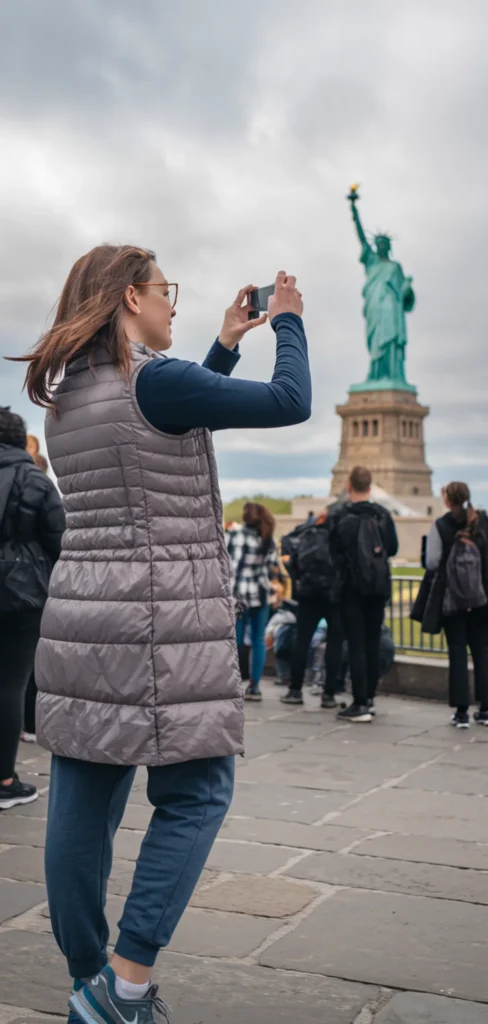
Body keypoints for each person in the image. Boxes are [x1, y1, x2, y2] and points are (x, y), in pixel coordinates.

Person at [14, 249, 310, 1023]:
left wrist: (222, 344)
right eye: (164, 292)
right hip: (159, 619)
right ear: (129, 298)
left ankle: (88, 981)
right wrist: (289, 324)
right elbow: (289, 402)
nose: (171, 306)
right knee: (198, 790)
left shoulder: (69, 394)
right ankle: (128, 980)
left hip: (84, 615)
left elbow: (161, 429)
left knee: (83, 794)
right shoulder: (154, 379)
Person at [0, 407, 65, 809]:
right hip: (21, 596)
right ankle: (4, 780)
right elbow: (60, 541)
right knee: (9, 685)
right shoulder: (35, 479)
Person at [328, 466, 398, 722]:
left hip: (351, 588)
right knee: (372, 642)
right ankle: (369, 696)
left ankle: (359, 703)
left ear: (349, 486)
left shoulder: (340, 516)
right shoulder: (382, 515)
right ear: (370, 487)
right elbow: (391, 547)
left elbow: (333, 551)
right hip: (377, 588)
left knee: (356, 644)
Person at [426, 482, 488, 728]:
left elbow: (431, 562)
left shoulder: (441, 525)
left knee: (457, 651)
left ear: (447, 500)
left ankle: (461, 712)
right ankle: (485, 710)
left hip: (453, 598)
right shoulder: (482, 521)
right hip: (482, 597)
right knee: (482, 651)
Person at [281, 510, 344, 709]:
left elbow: (289, 547)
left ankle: (295, 689)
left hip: (308, 594)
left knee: (302, 641)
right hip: (334, 596)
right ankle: (329, 694)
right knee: (335, 644)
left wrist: (297, 577)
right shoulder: (340, 536)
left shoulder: (308, 533)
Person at [226, 502, 281, 702]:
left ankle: (235, 682)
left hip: (238, 595)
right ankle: (255, 686)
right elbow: (273, 567)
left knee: (235, 641)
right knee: (258, 640)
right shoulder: (267, 538)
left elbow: (228, 565)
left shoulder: (234, 535)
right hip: (260, 594)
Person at [265, 579, 297, 686]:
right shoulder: (289, 616)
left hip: (282, 639)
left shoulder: (279, 616)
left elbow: (269, 630)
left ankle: (284, 676)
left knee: (281, 653)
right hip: (291, 637)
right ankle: (288, 676)